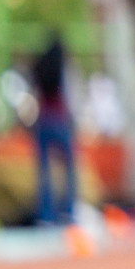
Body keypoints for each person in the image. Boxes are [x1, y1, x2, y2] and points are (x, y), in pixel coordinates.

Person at [30, 32, 78, 226]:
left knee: (44, 171)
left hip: (43, 121)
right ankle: (68, 210)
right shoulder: (64, 66)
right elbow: (71, 95)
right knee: (69, 169)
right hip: (60, 120)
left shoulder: (41, 66)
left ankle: (46, 214)